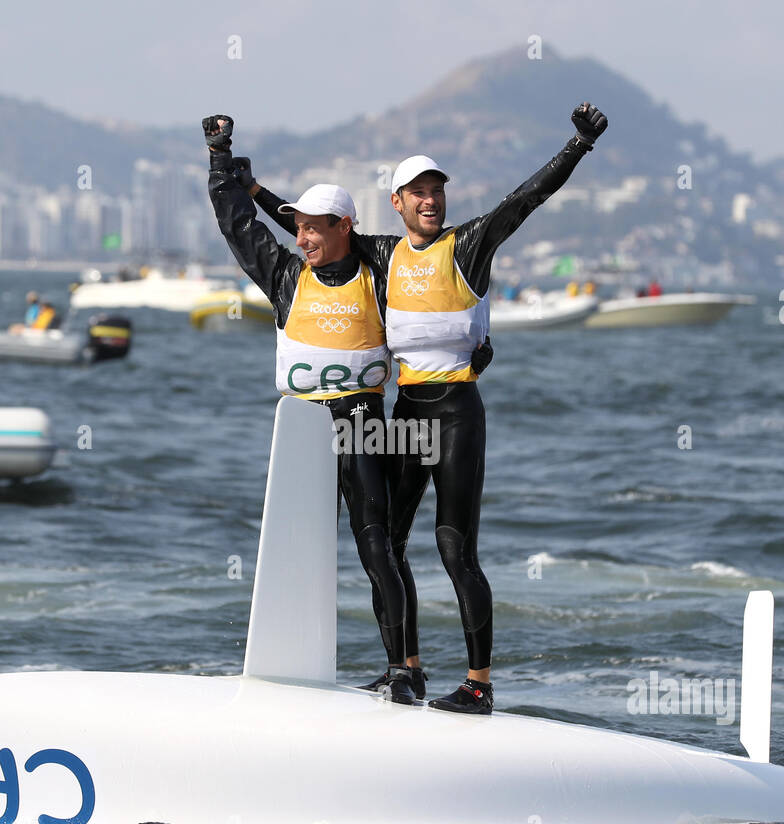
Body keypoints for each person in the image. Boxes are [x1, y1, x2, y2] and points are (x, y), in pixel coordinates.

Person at [248, 102, 608, 714]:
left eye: (437, 191)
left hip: (457, 414)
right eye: (417, 193)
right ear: (397, 201)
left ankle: (479, 684)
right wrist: (249, 186)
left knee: (453, 549)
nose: (430, 201)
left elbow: (524, 201)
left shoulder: (466, 245)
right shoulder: (382, 255)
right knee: (385, 542)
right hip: (407, 415)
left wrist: (578, 145)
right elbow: (310, 224)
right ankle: (405, 672)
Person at [203, 115, 419, 705]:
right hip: (302, 427)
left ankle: (402, 669)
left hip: (362, 421)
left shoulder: (378, 272)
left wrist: (471, 349)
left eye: (313, 228)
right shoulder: (285, 277)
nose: (301, 238)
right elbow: (237, 224)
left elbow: (430, 294)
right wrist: (221, 159)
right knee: (295, 541)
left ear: (344, 226)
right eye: (296, 226)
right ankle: (293, 660)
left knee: (376, 546)